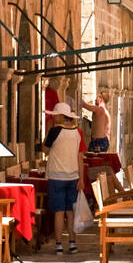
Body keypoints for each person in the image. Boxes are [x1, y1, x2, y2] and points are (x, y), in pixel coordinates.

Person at [44, 102, 83, 254]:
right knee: (70, 211)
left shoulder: (54, 131)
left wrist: (47, 132)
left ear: (60, 116)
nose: (53, 118)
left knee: (59, 212)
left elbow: (45, 149)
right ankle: (72, 243)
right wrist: (81, 177)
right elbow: (80, 156)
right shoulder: (78, 132)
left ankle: (59, 244)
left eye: (55, 115)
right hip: (73, 175)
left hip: (56, 176)